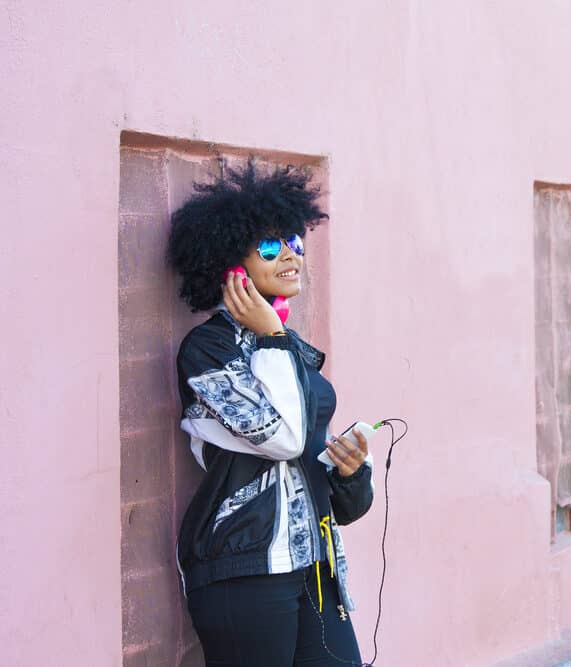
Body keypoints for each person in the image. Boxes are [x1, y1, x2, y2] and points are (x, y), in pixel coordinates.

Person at [167, 161, 373, 666]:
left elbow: (312, 461)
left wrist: (350, 473)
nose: (290, 257)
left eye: (295, 244)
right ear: (228, 267)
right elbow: (281, 440)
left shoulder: (293, 350)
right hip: (244, 570)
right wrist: (270, 338)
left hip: (315, 566)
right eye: (268, 247)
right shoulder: (207, 352)